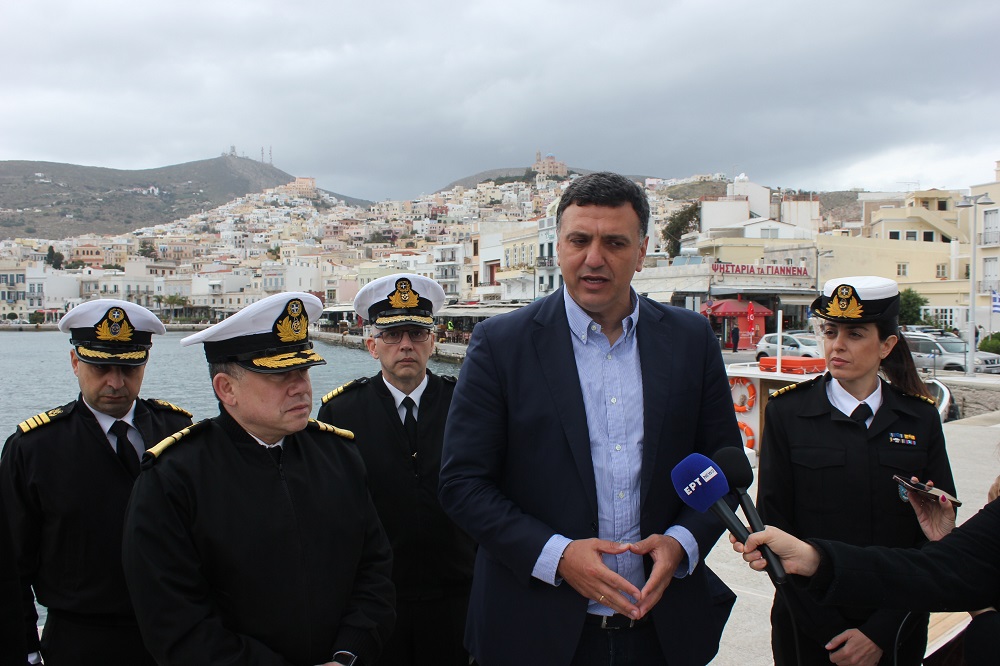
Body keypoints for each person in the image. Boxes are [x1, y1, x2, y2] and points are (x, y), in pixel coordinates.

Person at [438, 172, 742, 665]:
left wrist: (681, 543)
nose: (594, 258)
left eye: (614, 243)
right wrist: (558, 556)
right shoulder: (500, 345)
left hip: (661, 635)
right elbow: (462, 484)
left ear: (642, 252)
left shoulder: (690, 341)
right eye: (579, 240)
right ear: (560, 246)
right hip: (533, 634)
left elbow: (721, 469)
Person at [122, 292, 395, 666]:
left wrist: (350, 653)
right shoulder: (173, 479)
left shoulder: (339, 456)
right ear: (226, 388)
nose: (300, 386)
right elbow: (174, 620)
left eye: (303, 370)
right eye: (280, 374)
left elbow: (374, 570)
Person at [757, 276, 956, 666]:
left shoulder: (919, 418)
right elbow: (775, 530)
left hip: (896, 630)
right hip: (808, 629)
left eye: (855, 334)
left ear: (887, 345)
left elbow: (936, 536)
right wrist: (832, 634)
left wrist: (879, 633)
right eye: (830, 331)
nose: (837, 345)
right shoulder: (787, 413)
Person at [0, 299, 192, 666]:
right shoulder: (35, 449)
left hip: (173, 636)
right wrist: (24, 649)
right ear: (75, 362)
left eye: (129, 367)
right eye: (101, 367)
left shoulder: (177, 432)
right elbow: (10, 565)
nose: (116, 382)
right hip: (80, 640)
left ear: (144, 364)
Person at [319, 274, 474, 666]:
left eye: (417, 334)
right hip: (377, 603)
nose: (406, 345)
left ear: (433, 342)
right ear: (372, 345)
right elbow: (333, 513)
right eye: (391, 335)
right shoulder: (341, 413)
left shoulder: (464, 405)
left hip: (458, 597)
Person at [734, 487, 999, 666]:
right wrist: (811, 559)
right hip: (812, 636)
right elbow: (935, 569)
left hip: (899, 641)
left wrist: (879, 633)